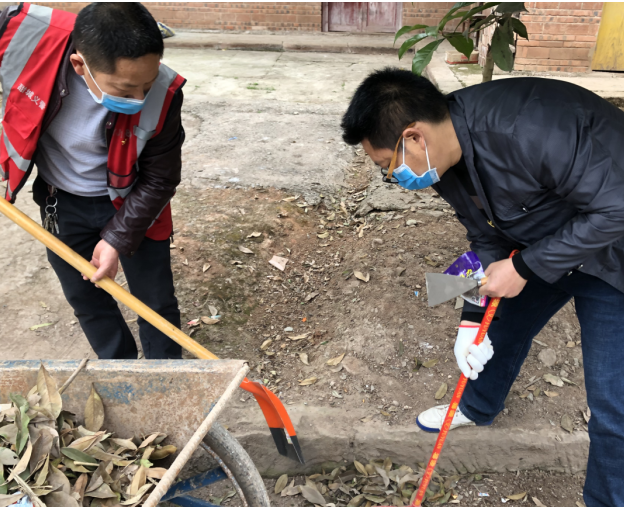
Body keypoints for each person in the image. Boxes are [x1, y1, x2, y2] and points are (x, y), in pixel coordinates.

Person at [341, 68, 624, 507]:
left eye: (387, 166)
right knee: (500, 328)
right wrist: (471, 321)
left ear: (414, 137)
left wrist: (525, 267)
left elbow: (616, 208)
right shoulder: (444, 157)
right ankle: (476, 406)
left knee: (613, 405)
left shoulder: (528, 130)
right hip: (546, 242)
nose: (393, 177)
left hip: (613, 254)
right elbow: (484, 235)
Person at [0, 3, 186, 359]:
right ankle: (118, 371)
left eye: (147, 85)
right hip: (61, 203)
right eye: (126, 90)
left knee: (156, 301)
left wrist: (117, 237)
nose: (140, 98)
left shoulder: (166, 92)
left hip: (135, 203)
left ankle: (166, 376)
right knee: (86, 297)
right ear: (79, 65)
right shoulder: (24, 36)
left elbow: (161, 178)